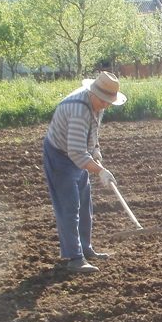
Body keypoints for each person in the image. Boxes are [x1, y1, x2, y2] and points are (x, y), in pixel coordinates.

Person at [42, 71, 127, 273]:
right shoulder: (78, 110)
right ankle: (74, 257)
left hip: (78, 152)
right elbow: (76, 153)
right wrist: (101, 171)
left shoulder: (97, 103)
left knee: (84, 203)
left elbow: (93, 130)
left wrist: (95, 149)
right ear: (93, 93)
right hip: (60, 155)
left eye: (109, 101)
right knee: (69, 206)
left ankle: (86, 249)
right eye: (105, 101)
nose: (106, 105)